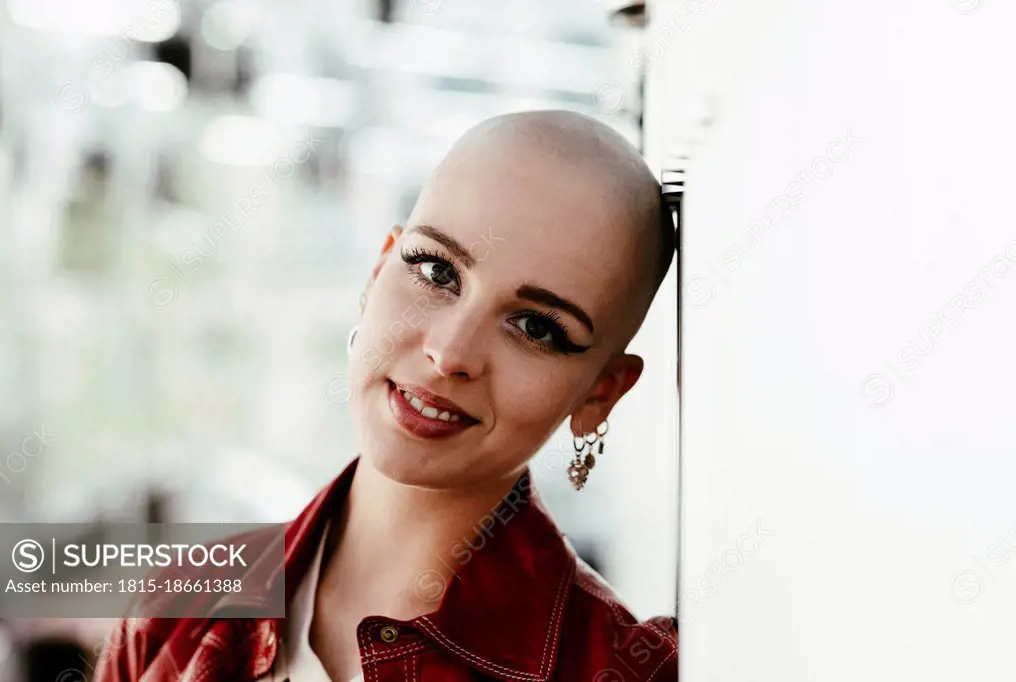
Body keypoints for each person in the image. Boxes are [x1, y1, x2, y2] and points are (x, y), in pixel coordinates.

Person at [94, 109, 679, 682]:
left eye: (536, 327)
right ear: (377, 274)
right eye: (437, 271)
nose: (450, 354)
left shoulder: (618, 670)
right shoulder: (177, 612)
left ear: (601, 393)